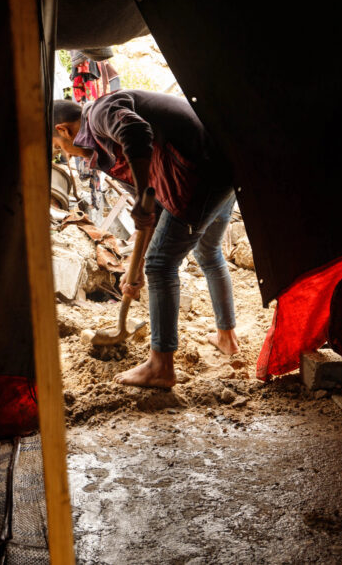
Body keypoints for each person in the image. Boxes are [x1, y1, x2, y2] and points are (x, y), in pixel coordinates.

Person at [52, 92, 240, 389]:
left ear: (63, 130)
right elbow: (153, 208)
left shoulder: (99, 112)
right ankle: (226, 337)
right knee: (208, 252)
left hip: (198, 172)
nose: (65, 154)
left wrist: (141, 198)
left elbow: (136, 131)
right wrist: (135, 268)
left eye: (57, 146)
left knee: (160, 265)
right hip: (219, 164)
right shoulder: (107, 148)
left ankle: (160, 366)